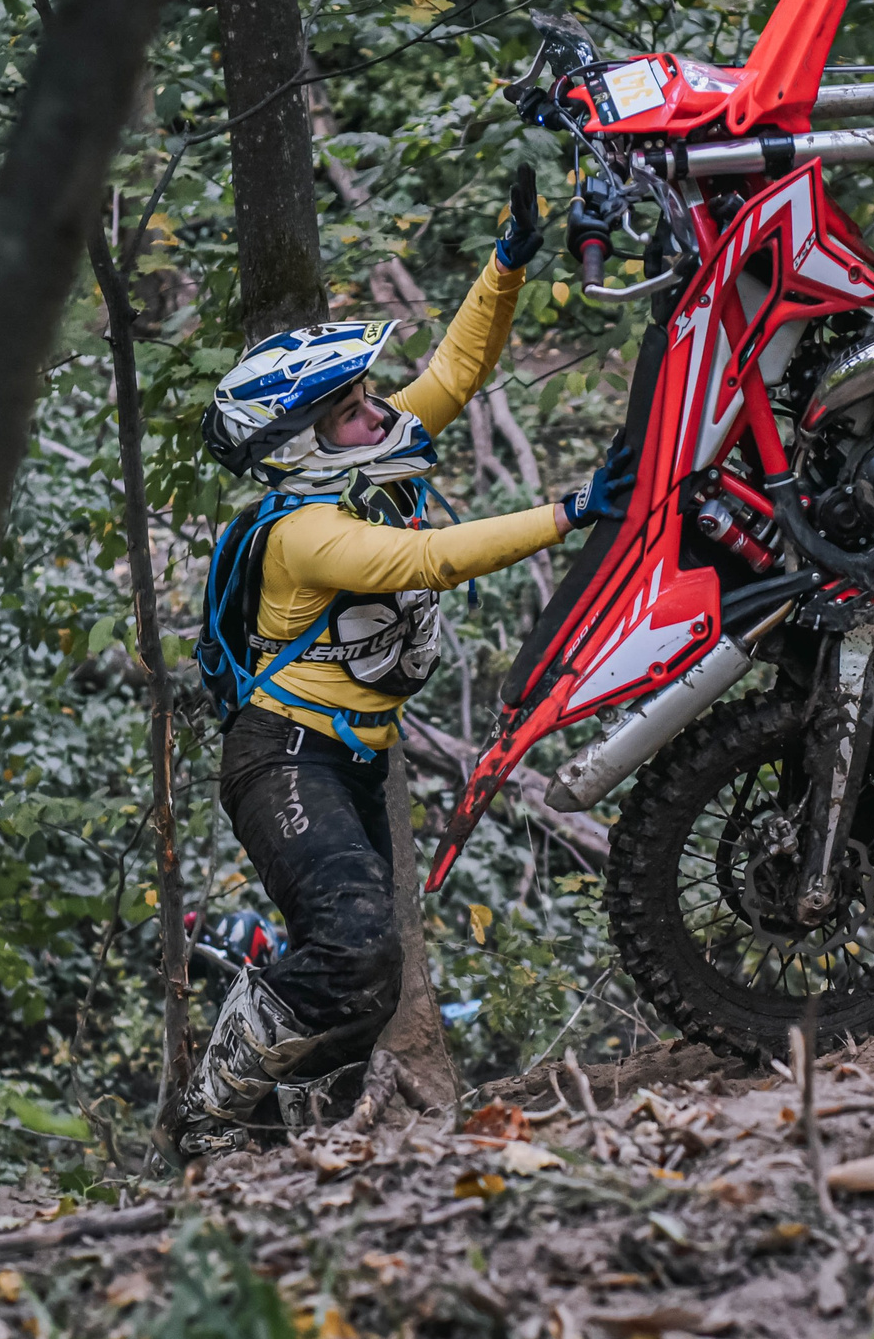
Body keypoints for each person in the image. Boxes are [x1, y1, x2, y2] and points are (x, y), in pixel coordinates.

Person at [177, 165, 631, 1151]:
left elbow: (458, 371)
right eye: (349, 409)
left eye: (367, 397)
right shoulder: (304, 530)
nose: (377, 411)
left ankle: (290, 1125)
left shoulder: (369, 457)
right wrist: (568, 512)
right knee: (351, 944)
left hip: (351, 755)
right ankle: (207, 1116)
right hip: (282, 755)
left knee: (367, 969)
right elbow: (422, 558)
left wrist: (508, 259)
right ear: (303, 445)